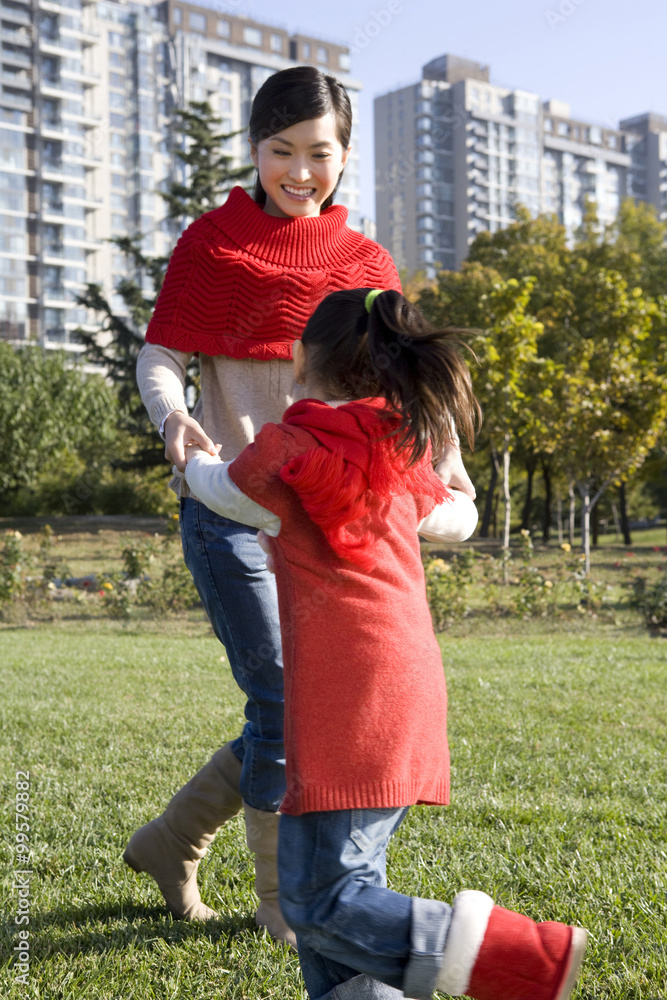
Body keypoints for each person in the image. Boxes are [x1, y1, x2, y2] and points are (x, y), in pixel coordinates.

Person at [126, 64, 476, 944]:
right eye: (280, 150)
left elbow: (406, 379)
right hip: (229, 504)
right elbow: (161, 353)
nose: (299, 170)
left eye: (318, 153)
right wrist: (173, 419)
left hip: (328, 520)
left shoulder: (365, 266)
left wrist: (448, 466)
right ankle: (281, 904)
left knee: (301, 704)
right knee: (284, 697)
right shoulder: (210, 245)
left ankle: (172, 840)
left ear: (344, 155)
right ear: (255, 149)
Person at [182, 288, 588, 1000]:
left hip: (351, 701)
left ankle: (520, 956)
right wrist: (451, 480)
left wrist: (189, 459)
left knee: (318, 904)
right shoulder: (395, 447)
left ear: (299, 358)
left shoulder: (291, 447)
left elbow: (227, 494)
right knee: (336, 900)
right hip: (400, 687)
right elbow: (457, 520)